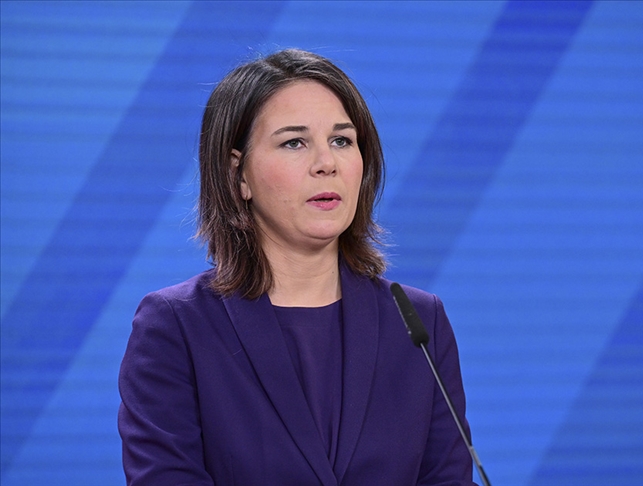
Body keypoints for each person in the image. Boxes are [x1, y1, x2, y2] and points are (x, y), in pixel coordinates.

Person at [118, 48, 476, 485]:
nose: (327, 164)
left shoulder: (418, 323)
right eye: (294, 142)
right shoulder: (177, 327)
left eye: (342, 141)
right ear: (238, 175)